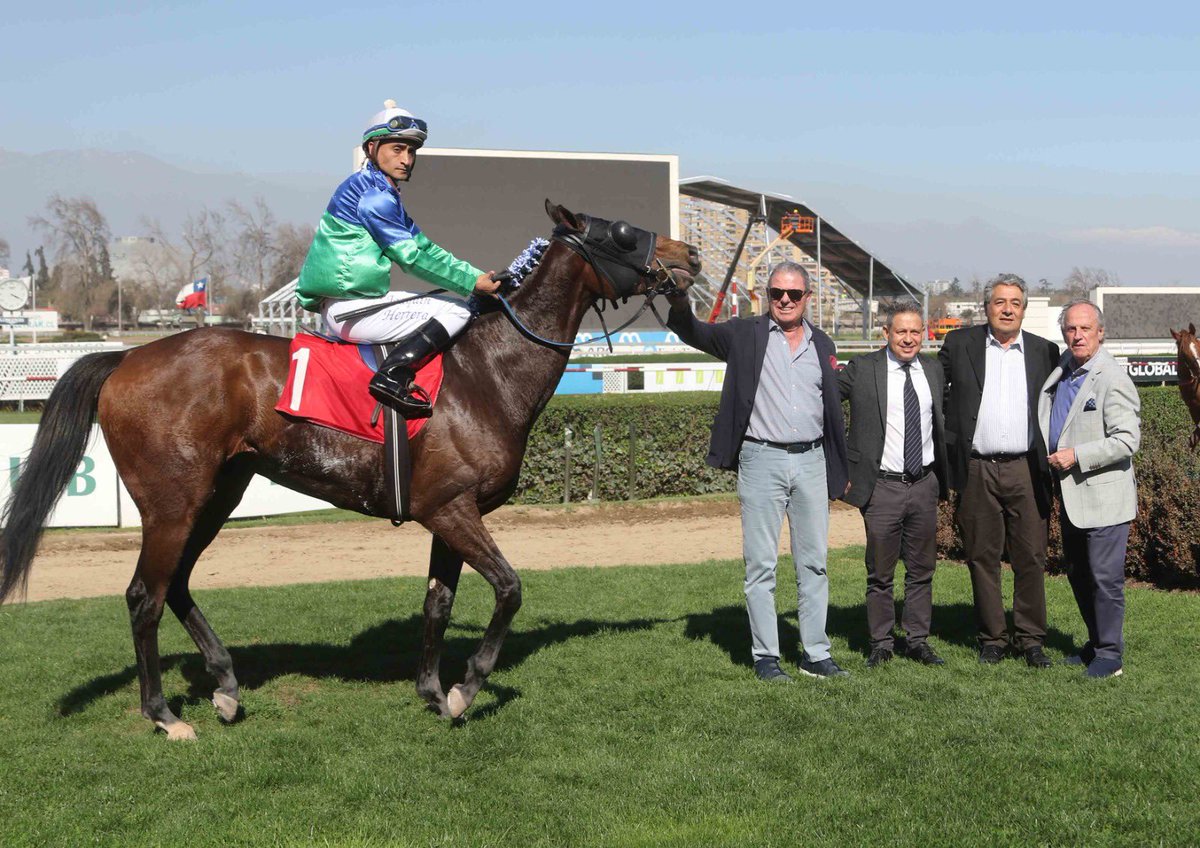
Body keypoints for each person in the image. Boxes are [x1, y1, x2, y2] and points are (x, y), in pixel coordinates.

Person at [666, 261, 851, 681]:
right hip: (760, 460)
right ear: (766, 296)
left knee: (815, 564)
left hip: (812, 461)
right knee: (761, 565)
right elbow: (692, 331)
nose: (785, 300)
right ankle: (766, 656)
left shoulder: (823, 343)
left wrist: (840, 466)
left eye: (794, 294)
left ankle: (815, 654)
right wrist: (678, 298)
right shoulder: (743, 334)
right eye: (777, 293)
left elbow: (833, 411)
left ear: (808, 298)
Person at [296, 100, 502, 417]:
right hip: (353, 310)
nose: (406, 160)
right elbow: (411, 259)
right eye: (397, 149)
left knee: (455, 304)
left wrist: (476, 277)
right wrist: (470, 284)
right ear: (372, 148)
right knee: (458, 312)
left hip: (355, 304)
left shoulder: (380, 190)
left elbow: (424, 247)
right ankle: (392, 375)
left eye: (411, 151)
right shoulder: (373, 195)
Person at [938, 274, 1059, 667]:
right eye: (1000, 302)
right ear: (986, 306)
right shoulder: (960, 344)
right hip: (977, 470)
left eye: (1015, 303)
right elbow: (934, 393)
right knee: (981, 556)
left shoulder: (1044, 351)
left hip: (1026, 468)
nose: (1008, 309)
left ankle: (1030, 639)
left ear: (1024, 309)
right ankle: (993, 637)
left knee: (1031, 557)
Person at [839, 302, 949, 668]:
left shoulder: (933, 369)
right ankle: (881, 643)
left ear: (924, 335)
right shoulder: (862, 369)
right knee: (880, 573)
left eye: (915, 332)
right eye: (900, 331)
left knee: (922, 571)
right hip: (882, 487)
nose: (908, 338)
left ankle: (917, 640)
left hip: (924, 484)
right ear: (885, 333)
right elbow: (822, 402)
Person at [1038, 300, 1140, 679]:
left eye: (1084, 328)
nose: (1077, 335)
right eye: (1070, 329)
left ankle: (1111, 655)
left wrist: (1077, 456)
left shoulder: (1111, 377)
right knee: (1080, 574)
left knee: (1104, 578)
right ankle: (1096, 644)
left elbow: (1127, 440)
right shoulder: (1063, 370)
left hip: (1104, 497)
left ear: (1100, 332)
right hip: (1071, 496)